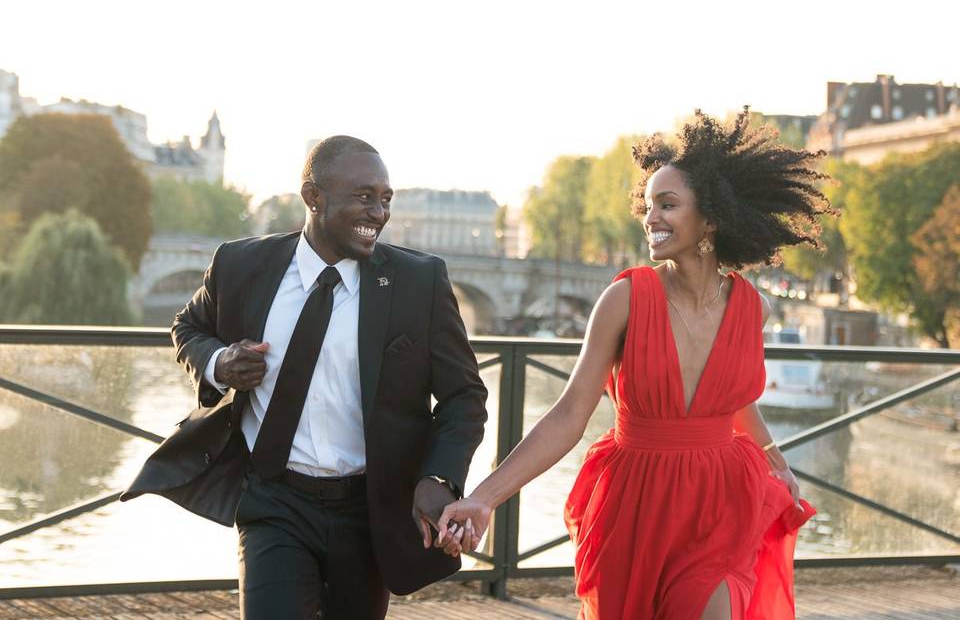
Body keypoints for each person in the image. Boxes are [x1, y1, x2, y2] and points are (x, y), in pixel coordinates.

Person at [437, 109, 826, 619]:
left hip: (720, 503)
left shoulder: (755, 307)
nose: (651, 218)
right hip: (635, 503)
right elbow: (569, 414)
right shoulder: (625, 298)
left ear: (711, 217)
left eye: (668, 205)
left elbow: (732, 400)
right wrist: (485, 498)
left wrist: (774, 455)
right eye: (648, 206)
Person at [122, 136, 488, 620]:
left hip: (369, 508)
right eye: (363, 196)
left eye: (385, 199)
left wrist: (440, 476)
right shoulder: (241, 265)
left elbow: (465, 396)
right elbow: (187, 327)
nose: (378, 212)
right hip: (274, 503)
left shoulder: (418, 282)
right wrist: (218, 363)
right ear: (313, 197)